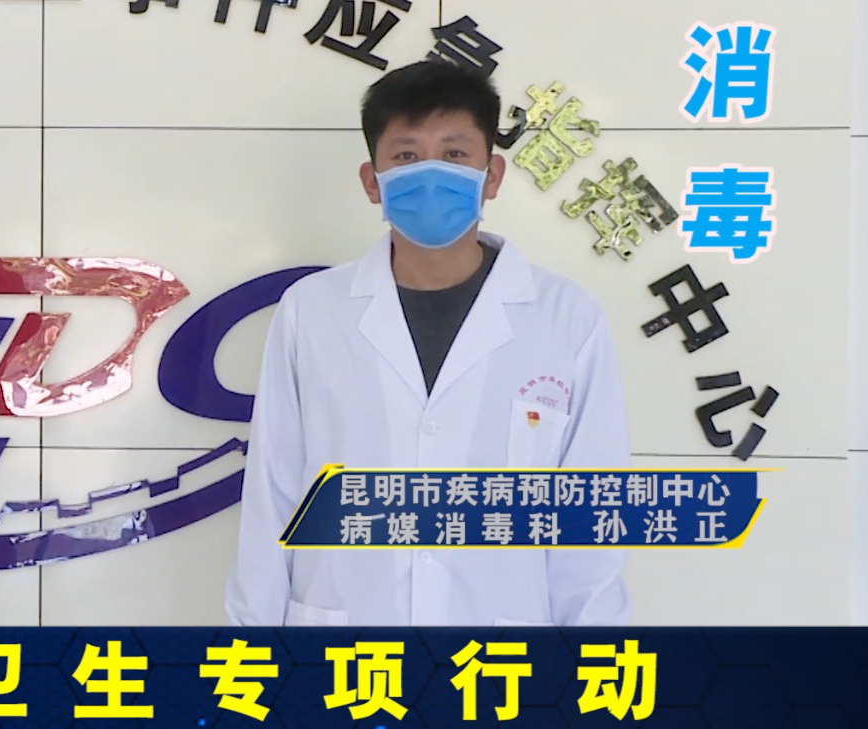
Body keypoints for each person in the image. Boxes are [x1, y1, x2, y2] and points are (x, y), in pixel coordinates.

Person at [225, 60, 630, 627]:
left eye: (455, 154)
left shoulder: (567, 318)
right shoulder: (311, 311)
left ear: (492, 175)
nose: (431, 174)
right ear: (373, 181)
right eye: (407, 156)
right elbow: (273, 494)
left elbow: (590, 520)